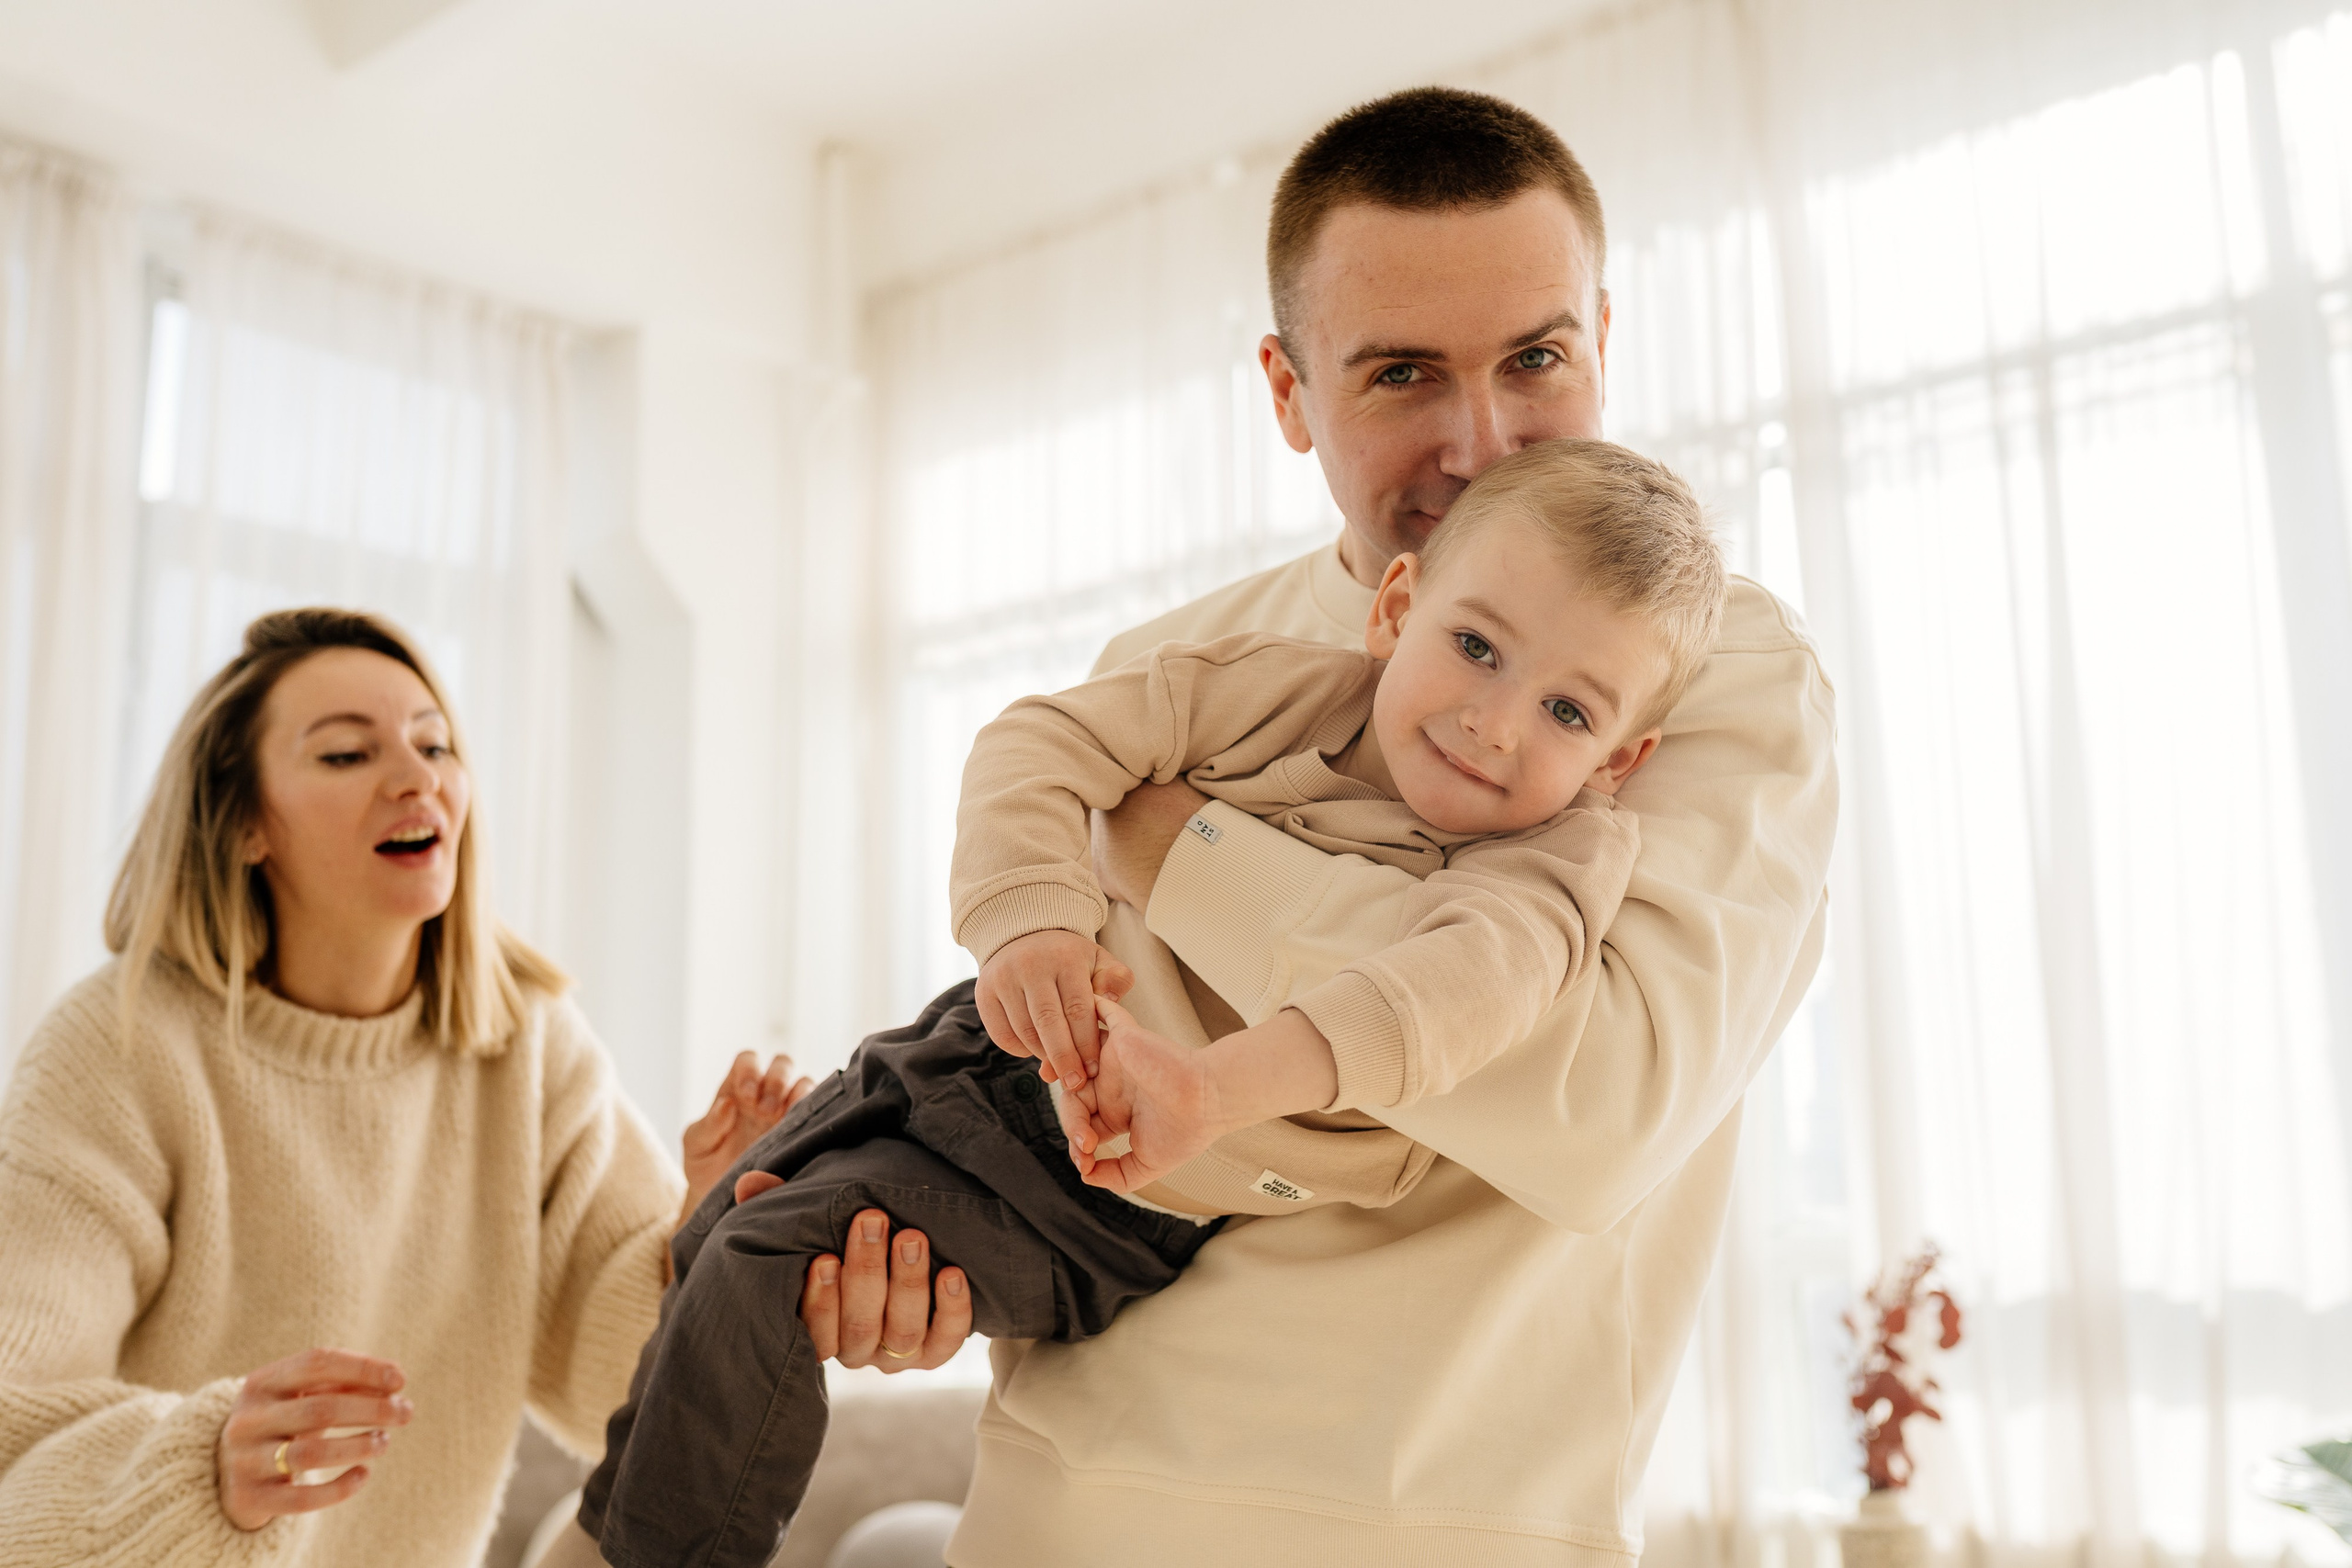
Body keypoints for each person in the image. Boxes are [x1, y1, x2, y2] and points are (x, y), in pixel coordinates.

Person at [778, 86, 1830, 1565]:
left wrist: (1173, 845)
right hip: (1056, 1515)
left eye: (1538, 355)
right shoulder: (1172, 660)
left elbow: (1599, 1112)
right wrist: (921, 1255)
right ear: (1288, 393)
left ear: (1606, 338)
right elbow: (1062, 1060)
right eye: (1403, 372)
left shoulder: (1715, 668)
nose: (1484, 441)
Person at [578, 438, 1724, 1568]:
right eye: (1475, 647)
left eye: (1570, 714)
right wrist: (1030, 919)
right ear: (1394, 609)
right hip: (973, 1049)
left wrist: (1213, 1088)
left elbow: (1439, 1001)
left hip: (1101, 1189)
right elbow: (1041, 741)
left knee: (765, 1255)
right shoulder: (1283, 689)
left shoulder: (1551, 865)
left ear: (1622, 761)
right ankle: (605, 1534)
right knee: (713, 1226)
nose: (1496, 722)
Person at [0, 608, 830, 1568]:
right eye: (347, 754)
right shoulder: (121, 1047)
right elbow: (15, 1428)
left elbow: (626, 1378)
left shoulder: (526, 1043)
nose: (417, 776)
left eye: (435, 743)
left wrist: (708, 1236)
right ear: (243, 825)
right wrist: (203, 1467)